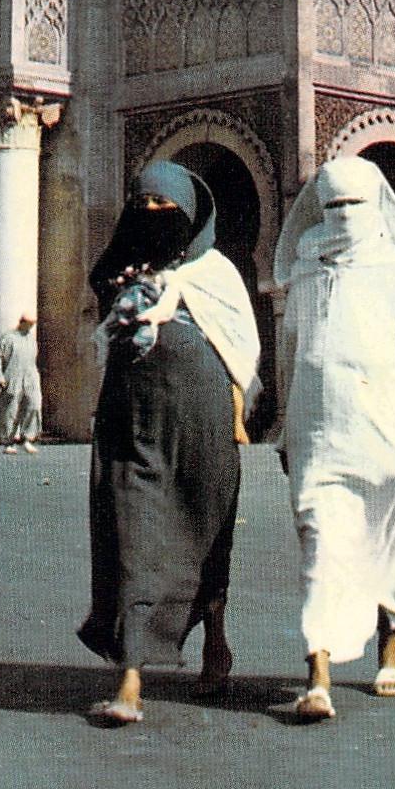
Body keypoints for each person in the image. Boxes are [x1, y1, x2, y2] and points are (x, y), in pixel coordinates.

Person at [79, 160, 260, 726]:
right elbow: (108, 333)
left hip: (201, 422)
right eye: (145, 205)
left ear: (192, 214)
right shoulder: (119, 268)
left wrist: (237, 412)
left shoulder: (217, 273)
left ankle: (215, 639)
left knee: (204, 533)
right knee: (133, 535)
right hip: (130, 420)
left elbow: (242, 349)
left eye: (167, 207)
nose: (154, 216)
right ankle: (130, 680)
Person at [273, 155, 395, 723]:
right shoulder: (304, 268)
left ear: (375, 207)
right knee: (321, 548)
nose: (344, 216)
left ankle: (389, 646)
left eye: (354, 205)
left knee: (389, 546)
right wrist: (285, 430)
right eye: (334, 206)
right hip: (318, 436)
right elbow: (290, 355)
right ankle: (317, 675)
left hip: (388, 439)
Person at [0, 313, 43, 454]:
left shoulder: (31, 339)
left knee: (34, 405)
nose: (31, 327)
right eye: (29, 324)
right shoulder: (8, 338)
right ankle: (9, 441)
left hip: (31, 376)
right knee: (11, 409)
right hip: (13, 376)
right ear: (22, 322)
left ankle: (27, 437)